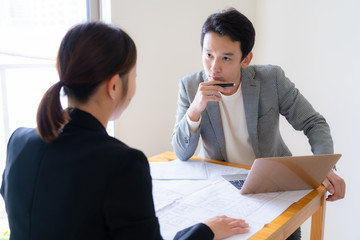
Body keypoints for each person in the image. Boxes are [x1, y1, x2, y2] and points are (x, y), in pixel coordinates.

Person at [0, 22, 250, 240]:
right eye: (135, 76)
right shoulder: (123, 164)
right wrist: (205, 230)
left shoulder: (18, 141)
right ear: (114, 86)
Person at [171, 8, 346, 240]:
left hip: (274, 187)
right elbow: (182, 153)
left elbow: (314, 122)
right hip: (222, 193)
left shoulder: (271, 79)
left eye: (226, 58)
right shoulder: (191, 86)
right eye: (208, 55)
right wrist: (195, 110)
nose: (214, 68)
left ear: (246, 59)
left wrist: (324, 167)